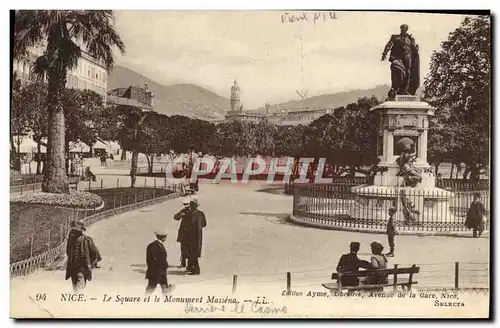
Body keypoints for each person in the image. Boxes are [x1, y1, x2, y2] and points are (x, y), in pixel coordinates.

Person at [381, 24, 420, 96]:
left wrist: (416, 49)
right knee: (397, 68)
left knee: (407, 74)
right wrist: (384, 54)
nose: (402, 30)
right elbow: (389, 45)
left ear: (406, 29)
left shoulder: (411, 39)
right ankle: (395, 87)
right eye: (401, 28)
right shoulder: (395, 38)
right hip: (397, 57)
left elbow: (414, 49)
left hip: (408, 58)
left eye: (404, 28)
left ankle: (404, 90)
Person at [65, 220, 101, 292]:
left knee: (79, 289)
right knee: (75, 289)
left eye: (75, 231)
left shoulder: (87, 240)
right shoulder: (70, 241)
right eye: (72, 230)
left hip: (82, 269)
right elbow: (68, 253)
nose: (72, 233)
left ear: (80, 231)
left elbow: (95, 254)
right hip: (72, 269)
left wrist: (90, 265)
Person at [145, 230, 171, 295]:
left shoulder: (151, 245)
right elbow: (158, 260)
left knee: (153, 288)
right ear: (163, 237)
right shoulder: (158, 246)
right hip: (158, 273)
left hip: (156, 272)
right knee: (152, 288)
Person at [185, 199, 207, 275]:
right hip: (198, 236)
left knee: (191, 252)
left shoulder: (188, 214)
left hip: (189, 236)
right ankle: (190, 268)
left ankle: (196, 270)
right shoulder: (201, 214)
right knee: (194, 252)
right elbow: (204, 224)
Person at [174, 199, 192, 269]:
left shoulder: (192, 212)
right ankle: (183, 263)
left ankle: (189, 264)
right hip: (183, 232)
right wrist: (180, 215)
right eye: (185, 205)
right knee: (183, 249)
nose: (186, 207)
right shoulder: (183, 211)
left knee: (189, 249)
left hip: (190, 232)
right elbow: (175, 217)